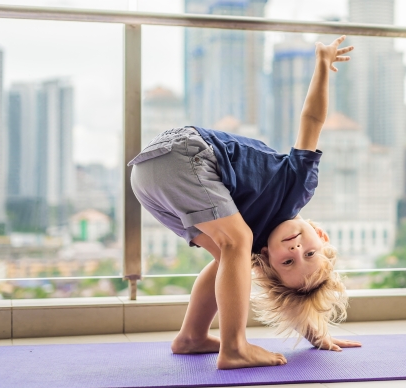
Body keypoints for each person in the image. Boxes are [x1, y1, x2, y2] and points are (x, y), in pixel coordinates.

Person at [128, 35, 361, 370]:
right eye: (309, 253)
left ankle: (192, 336)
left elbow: (285, 291)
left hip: (149, 179)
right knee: (236, 244)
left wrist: (316, 335)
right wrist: (323, 65)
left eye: (288, 263)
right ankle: (234, 346)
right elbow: (312, 121)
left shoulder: (251, 246)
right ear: (321, 236)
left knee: (230, 254)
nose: (296, 251)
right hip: (184, 155)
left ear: (269, 258)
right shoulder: (297, 187)